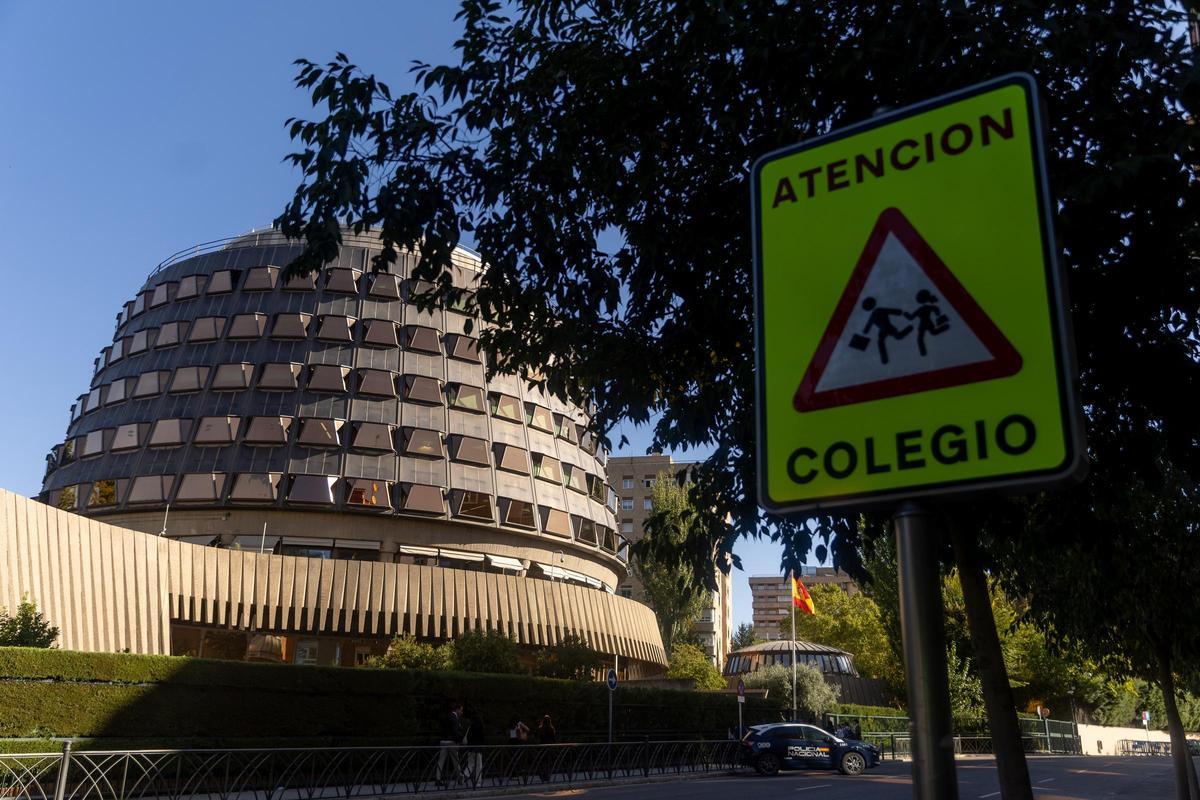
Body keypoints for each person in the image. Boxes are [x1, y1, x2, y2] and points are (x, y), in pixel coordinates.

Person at [859, 296, 913, 365]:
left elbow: (890, 311)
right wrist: (865, 331)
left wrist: (901, 312)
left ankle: (909, 328)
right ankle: (884, 358)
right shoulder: (873, 315)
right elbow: (869, 323)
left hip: (888, 327)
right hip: (883, 330)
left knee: (897, 337)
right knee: (882, 341)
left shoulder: (879, 310)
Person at [903, 288, 950, 356]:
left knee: (922, 338)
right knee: (930, 334)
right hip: (927, 323)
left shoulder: (923, 308)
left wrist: (905, 313)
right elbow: (936, 310)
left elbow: (911, 317)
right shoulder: (926, 307)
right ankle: (946, 327)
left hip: (924, 324)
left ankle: (923, 352)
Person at [436, 701, 464, 786]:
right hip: (451, 742)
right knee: (456, 761)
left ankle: (438, 779)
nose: (462, 712)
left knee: (441, 761)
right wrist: (461, 739)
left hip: (443, 741)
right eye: (461, 710)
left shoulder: (446, 717)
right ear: (457, 709)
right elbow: (455, 732)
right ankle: (460, 778)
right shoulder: (455, 718)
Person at [463, 707, 485, 788]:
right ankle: (478, 782)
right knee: (479, 765)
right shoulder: (480, 723)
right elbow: (482, 736)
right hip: (478, 747)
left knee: (470, 763)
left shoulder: (471, 724)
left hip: (471, 747)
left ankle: (464, 775)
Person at [536, 714, 557, 781]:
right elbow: (554, 739)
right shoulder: (551, 728)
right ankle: (547, 776)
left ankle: (543, 775)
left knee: (543, 762)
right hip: (549, 746)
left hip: (542, 746)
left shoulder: (541, 728)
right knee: (549, 761)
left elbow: (538, 738)